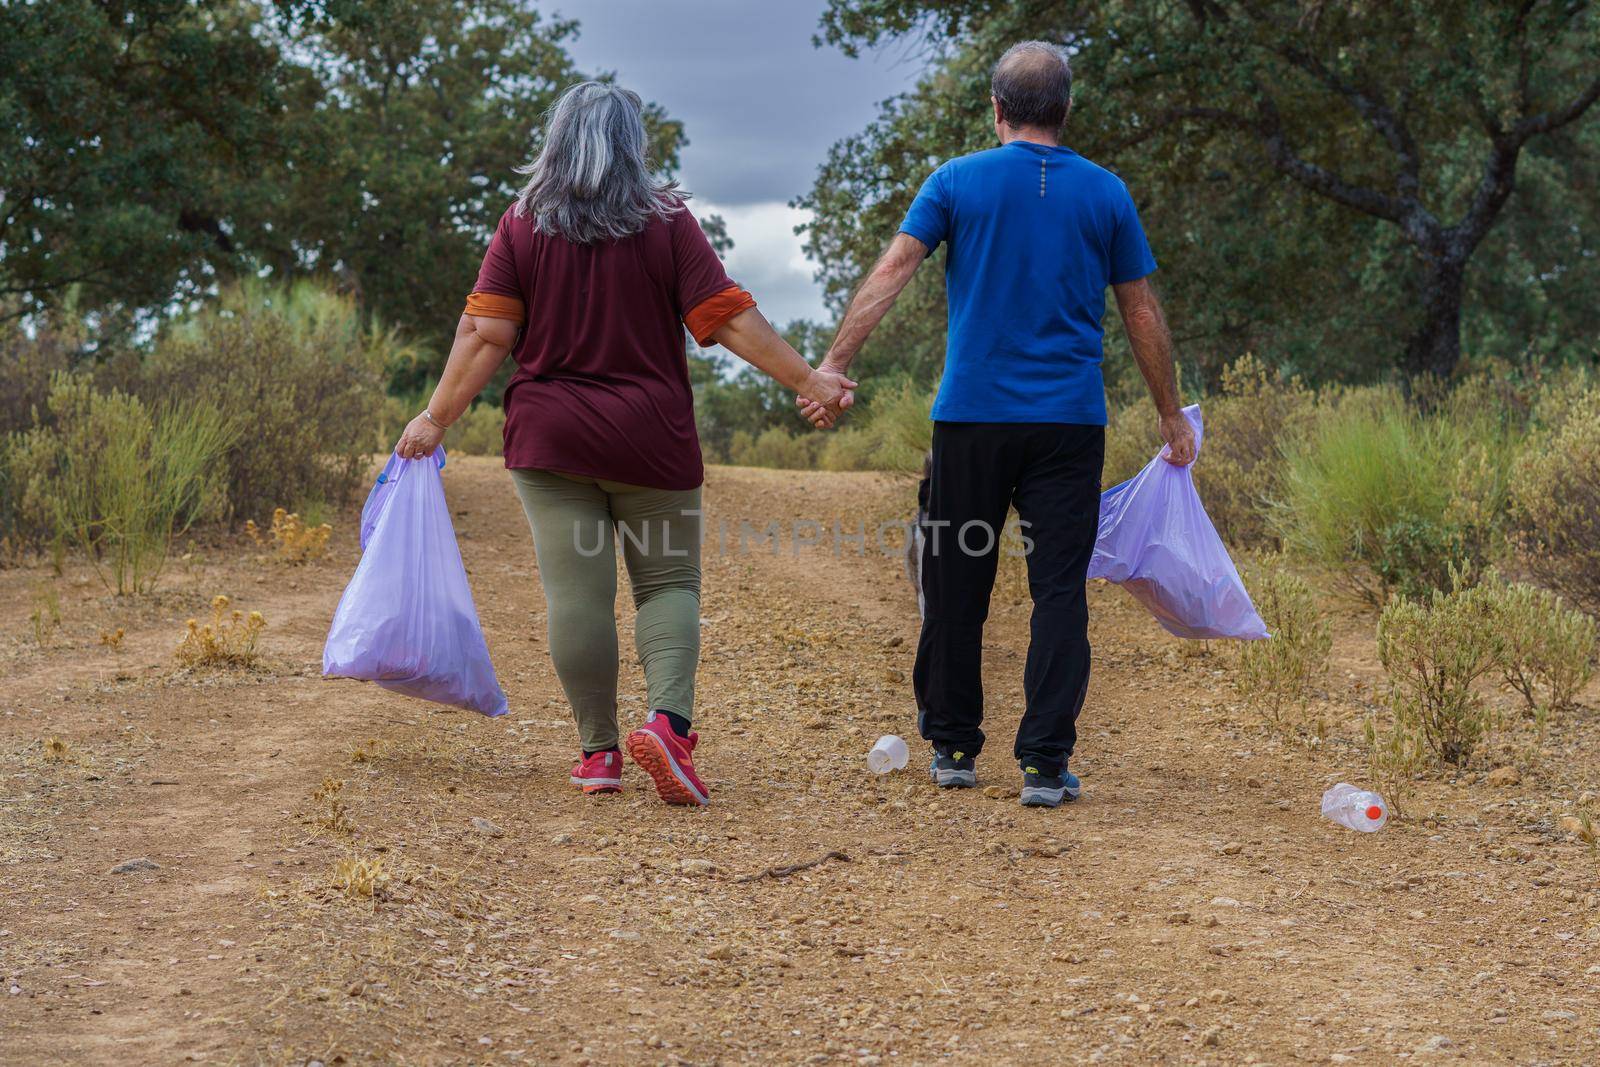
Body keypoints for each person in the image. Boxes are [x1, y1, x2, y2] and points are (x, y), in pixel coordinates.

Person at [396, 81, 855, 807]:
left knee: (577, 591)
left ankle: (598, 752)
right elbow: (728, 319)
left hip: (552, 441)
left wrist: (435, 416)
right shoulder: (666, 220)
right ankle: (669, 726)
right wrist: (813, 381)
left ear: (556, 140)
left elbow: (485, 335)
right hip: (652, 439)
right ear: (634, 145)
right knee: (667, 584)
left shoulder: (522, 223)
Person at [800, 41, 1195, 808]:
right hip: (1068, 426)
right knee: (1058, 592)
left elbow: (894, 270)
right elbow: (1140, 309)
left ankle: (953, 745)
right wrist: (1169, 413)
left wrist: (834, 366)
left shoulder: (956, 180)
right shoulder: (1107, 193)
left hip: (972, 420)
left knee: (956, 581)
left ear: (997, 109)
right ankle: (1046, 763)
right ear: (1066, 110)